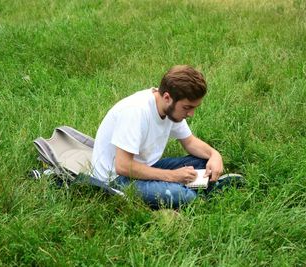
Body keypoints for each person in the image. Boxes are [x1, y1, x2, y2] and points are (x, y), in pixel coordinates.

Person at [92, 65, 242, 209]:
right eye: (187, 107)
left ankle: (195, 187)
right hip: (117, 180)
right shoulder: (135, 111)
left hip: (147, 168)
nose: (191, 114)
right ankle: (200, 192)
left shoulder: (169, 110)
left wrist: (214, 155)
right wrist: (172, 176)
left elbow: (189, 142)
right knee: (183, 196)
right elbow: (123, 166)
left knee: (204, 161)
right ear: (167, 97)